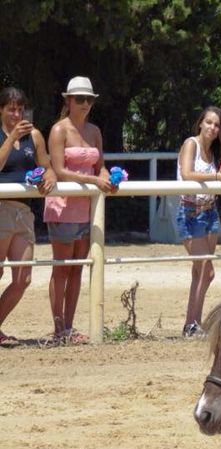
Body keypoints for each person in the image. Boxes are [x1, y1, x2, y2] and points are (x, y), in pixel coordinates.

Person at [45, 76, 115, 345]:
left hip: (87, 208)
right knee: (62, 268)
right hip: (63, 207)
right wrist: (95, 181)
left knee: (77, 269)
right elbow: (59, 170)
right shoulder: (59, 130)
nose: (85, 104)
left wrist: (107, 177)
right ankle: (58, 328)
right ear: (69, 101)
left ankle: (69, 327)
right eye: (80, 99)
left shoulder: (94, 131)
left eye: (89, 99)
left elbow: (101, 165)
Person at [0, 86, 57, 347]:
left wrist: (49, 177)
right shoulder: (6, 135)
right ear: (2, 110)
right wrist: (11, 137)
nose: (16, 114)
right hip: (1, 208)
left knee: (23, 278)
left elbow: (47, 166)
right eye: (11, 109)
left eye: (20, 109)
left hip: (24, 212)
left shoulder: (34, 136)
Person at [176, 106, 221, 338]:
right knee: (204, 269)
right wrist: (218, 176)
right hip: (190, 212)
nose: (212, 127)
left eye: (217, 124)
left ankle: (193, 323)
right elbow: (187, 173)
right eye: (209, 122)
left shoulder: (215, 153)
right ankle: (191, 323)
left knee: (202, 271)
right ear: (200, 123)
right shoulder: (190, 144)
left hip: (209, 211)